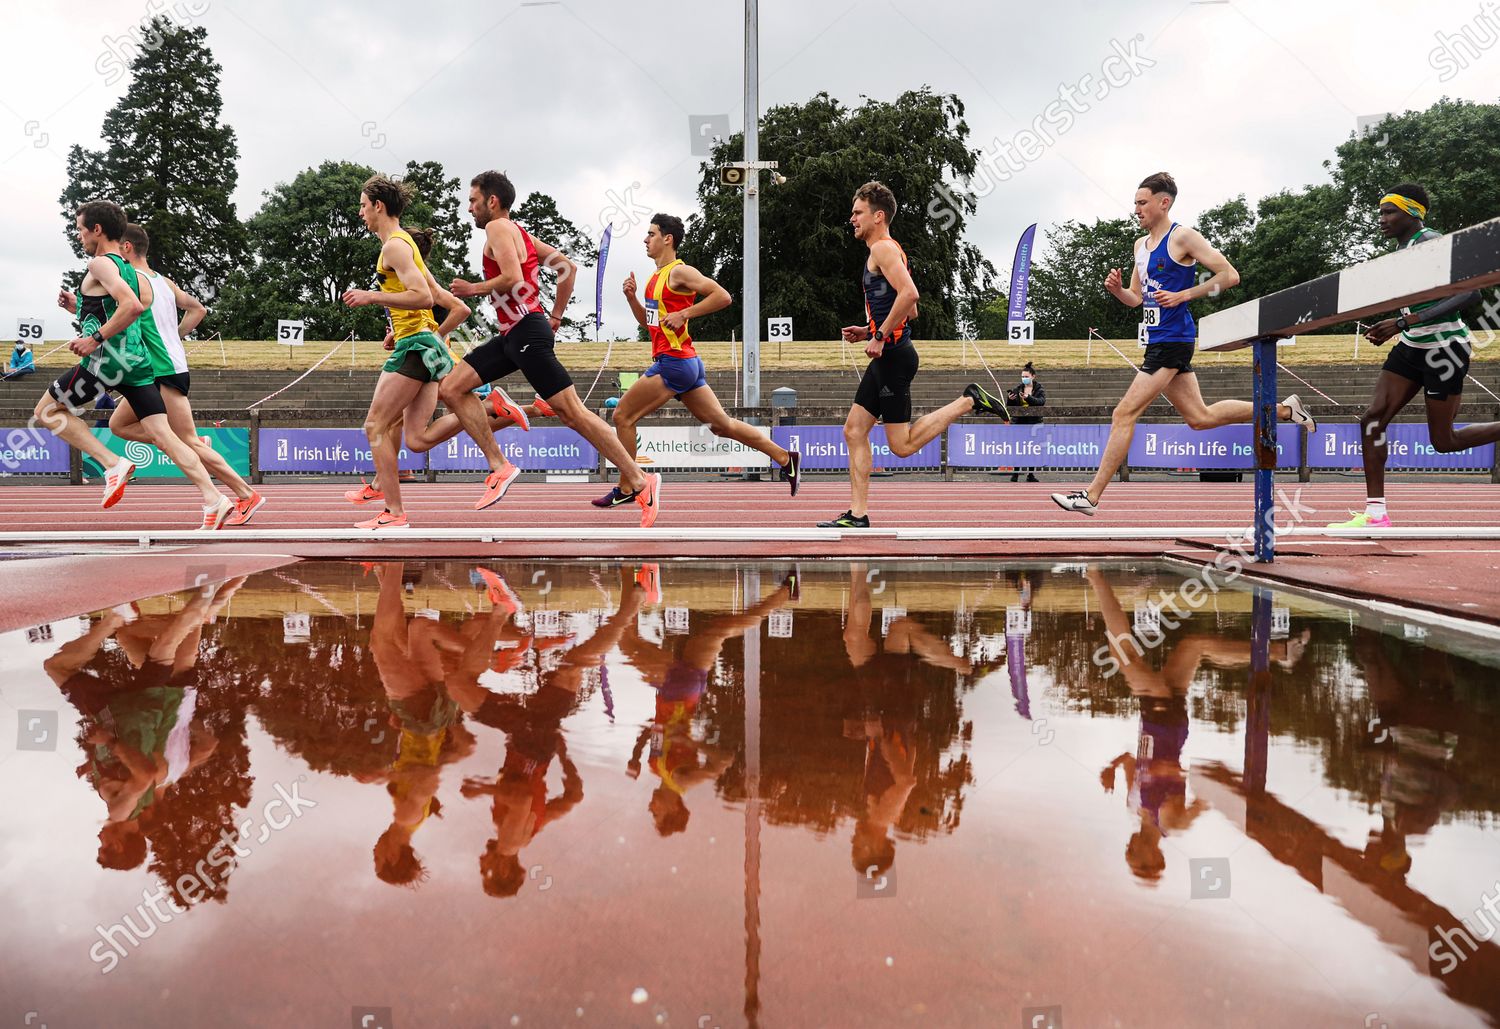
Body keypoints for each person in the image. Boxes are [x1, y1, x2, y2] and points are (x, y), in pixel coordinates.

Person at [1051, 172, 1317, 517]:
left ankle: (1090, 496)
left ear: (1164, 202)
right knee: (1200, 418)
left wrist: (1183, 295)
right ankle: (1284, 410)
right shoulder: (1139, 246)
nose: (1136, 209)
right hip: (1157, 342)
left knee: (1123, 413)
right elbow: (1137, 298)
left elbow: (1229, 275)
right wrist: (1118, 291)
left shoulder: (1183, 238)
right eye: (1134, 203)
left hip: (1174, 342)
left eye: (1142, 202)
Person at [445, 170, 662, 527]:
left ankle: (640, 480)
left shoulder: (497, 228)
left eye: (473, 200)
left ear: (492, 201)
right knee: (452, 387)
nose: (469, 208)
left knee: (573, 413)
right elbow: (567, 267)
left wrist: (472, 288)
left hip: (526, 333)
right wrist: (557, 316)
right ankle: (499, 465)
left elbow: (513, 278)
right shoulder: (522, 235)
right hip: (515, 335)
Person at [818, 181, 1010, 529]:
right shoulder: (887, 251)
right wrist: (869, 328)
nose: (852, 219)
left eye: (857, 212)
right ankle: (857, 514)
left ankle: (968, 401)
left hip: (893, 357)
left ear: (878, 216)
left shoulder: (883, 250)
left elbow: (911, 295)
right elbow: (911, 311)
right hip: (888, 354)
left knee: (901, 446)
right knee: (854, 431)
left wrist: (878, 335)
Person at [37, 200, 232, 526]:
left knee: (46, 411)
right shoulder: (131, 270)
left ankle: (112, 463)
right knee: (165, 436)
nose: (79, 234)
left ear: (97, 230)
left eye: (80, 228)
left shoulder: (98, 264)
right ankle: (214, 499)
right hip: (137, 363)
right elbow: (124, 309)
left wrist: (92, 339)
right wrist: (79, 307)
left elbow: (131, 307)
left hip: (104, 363)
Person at [342, 175, 519, 530]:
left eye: (363, 205)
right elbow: (446, 300)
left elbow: (422, 296)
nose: (360, 212)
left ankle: (393, 511)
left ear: (378, 206)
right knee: (416, 439)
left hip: (415, 348)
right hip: (420, 344)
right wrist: (421, 332)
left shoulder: (394, 245)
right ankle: (488, 408)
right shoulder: (404, 242)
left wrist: (371, 296)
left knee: (375, 425)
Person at [592, 213, 800, 508]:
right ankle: (784, 457)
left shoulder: (680, 272)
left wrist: (685, 313)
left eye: (651, 234)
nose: (645, 239)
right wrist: (631, 299)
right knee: (722, 425)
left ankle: (629, 484)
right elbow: (649, 324)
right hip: (684, 363)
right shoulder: (655, 279)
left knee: (622, 416)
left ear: (668, 239)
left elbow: (723, 296)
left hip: (673, 363)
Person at [1328, 184, 1500, 529]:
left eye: (1389, 212)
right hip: (1411, 347)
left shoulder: (1431, 242)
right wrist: (1390, 324)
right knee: (1372, 420)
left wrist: (1404, 321)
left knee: (1444, 441)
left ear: (1414, 212)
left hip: (1446, 348)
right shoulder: (1401, 250)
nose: (1382, 219)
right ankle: (1376, 514)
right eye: (1379, 212)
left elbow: (1470, 293)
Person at [346, 225, 553, 509]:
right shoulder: (406, 276)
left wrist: (434, 333)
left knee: (393, 420)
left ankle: (385, 492)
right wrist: (400, 332)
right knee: (415, 437)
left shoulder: (416, 278)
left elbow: (456, 309)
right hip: (423, 349)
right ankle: (382, 485)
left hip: (426, 353)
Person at [1005, 362, 1046, 482]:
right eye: (1022, 376)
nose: (1024, 378)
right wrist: (1010, 399)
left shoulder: (1039, 389)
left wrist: (1028, 398)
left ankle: (1030, 474)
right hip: (1019, 423)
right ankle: (1016, 473)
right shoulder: (1017, 389)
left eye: (1026, 376)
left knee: (1032, 449)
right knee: (1019, 448)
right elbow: (1011, 407)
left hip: (1034, 423)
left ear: (1033, 376)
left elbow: (1041, 402)